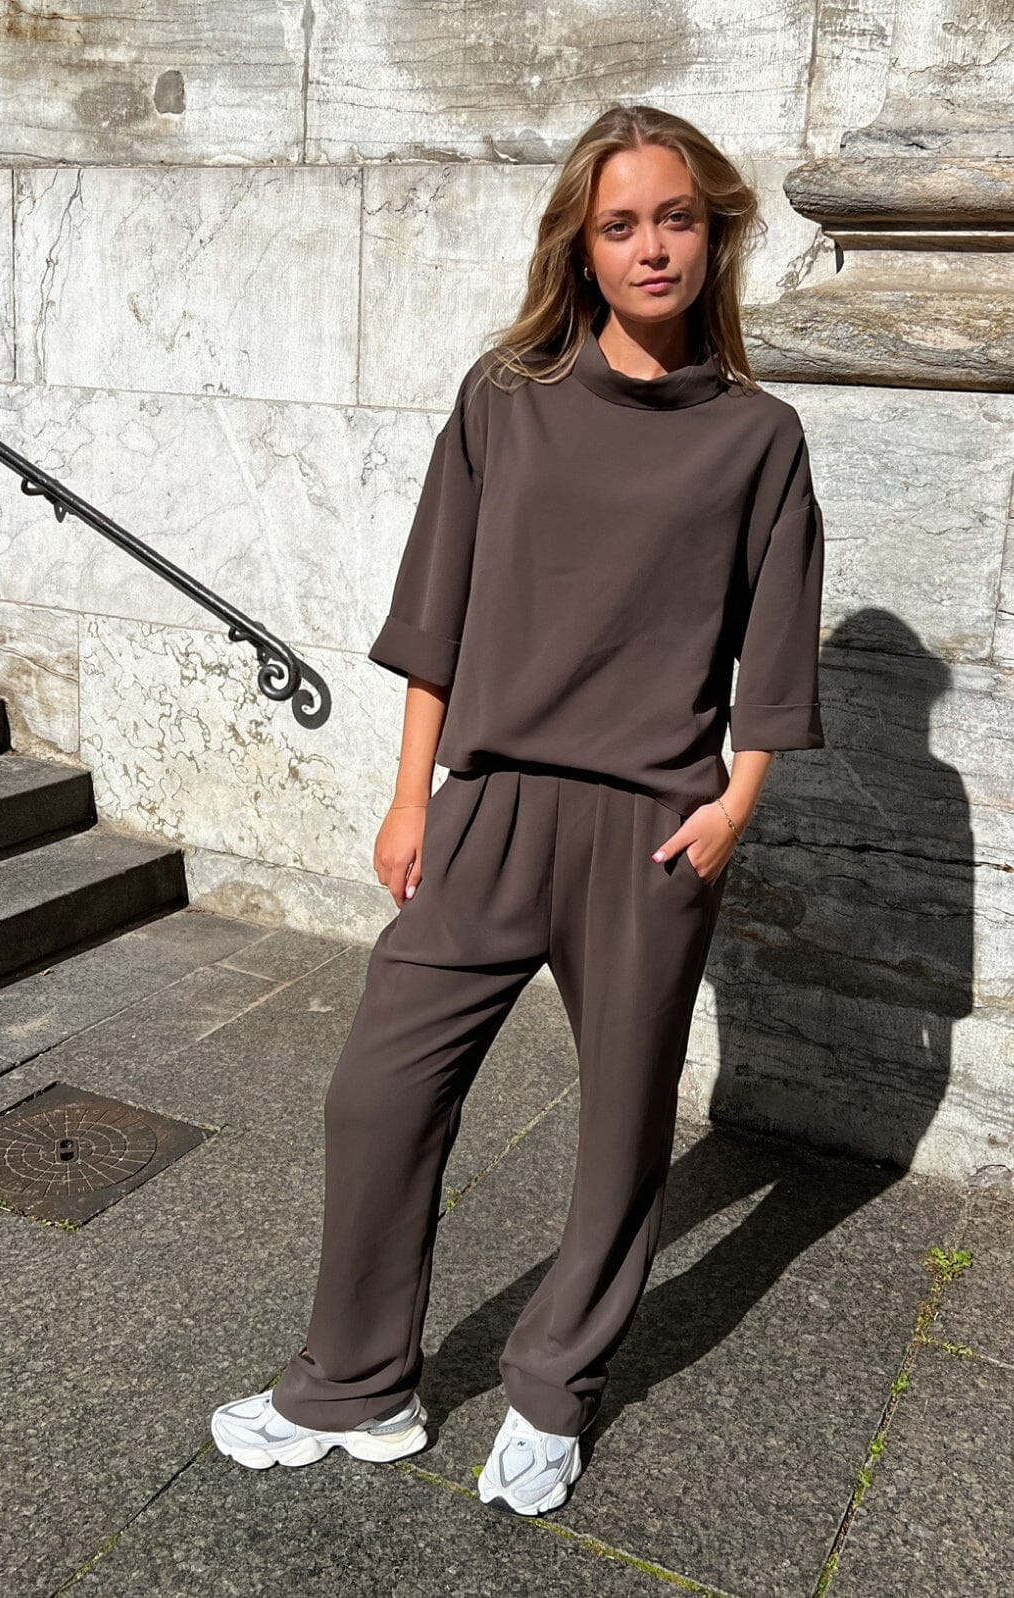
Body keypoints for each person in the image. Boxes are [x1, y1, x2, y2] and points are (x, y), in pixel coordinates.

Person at [211, 102, 825, 1517]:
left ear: (713, 232)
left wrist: (733, 808)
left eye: (675, 218)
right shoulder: (505, 397)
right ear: (580, 247)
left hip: (651, 829)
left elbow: (776, 647)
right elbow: (437, 608)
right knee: (378, 1090)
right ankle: (354, 1383)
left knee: (620, 1126)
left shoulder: (758, 436)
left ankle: (554, 1391)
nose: (651, 246)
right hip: (487, 807)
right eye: (620, 225)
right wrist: (409, 797)